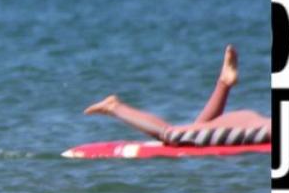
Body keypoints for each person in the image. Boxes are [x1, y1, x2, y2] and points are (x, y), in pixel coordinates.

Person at [84, 44, 271, 146]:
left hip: (252, 123)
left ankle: (224, 83)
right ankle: (114, 106)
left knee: (194, 131)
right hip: (256, 130)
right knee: (174, 135)